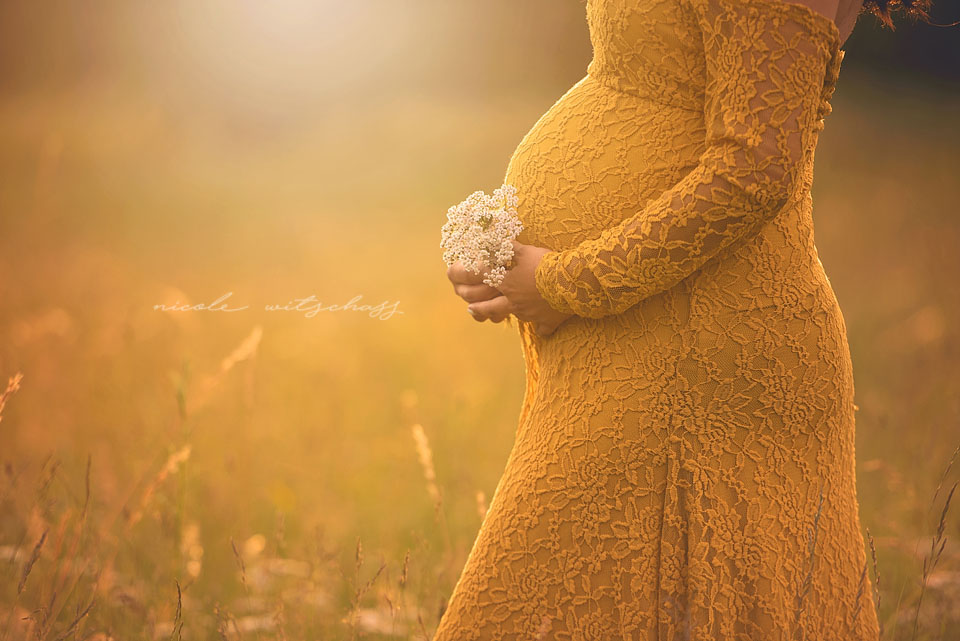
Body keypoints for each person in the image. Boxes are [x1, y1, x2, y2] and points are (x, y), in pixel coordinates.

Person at [440, 0, 930, 638]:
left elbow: (754, 167)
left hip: (698, 352)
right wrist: (496, 246)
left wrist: (565, 282)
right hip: (644, 335)